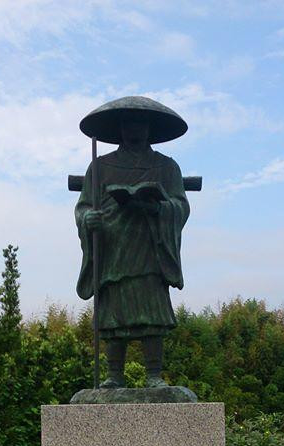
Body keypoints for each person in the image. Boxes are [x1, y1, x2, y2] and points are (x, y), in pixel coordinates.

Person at [75, 97, 190, 388]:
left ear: (150, 128)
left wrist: (158, 208)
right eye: (128, 123)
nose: (134, 129)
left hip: (149, 247)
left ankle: (154, 374)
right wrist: (88, 219)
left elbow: (181, 205)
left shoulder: (166, 167)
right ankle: (114, 374)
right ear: (120, 128)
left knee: (151, 311)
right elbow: (84, 206)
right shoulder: (100, 167)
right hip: (114, 247)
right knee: (114, 314)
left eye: (140, 123)